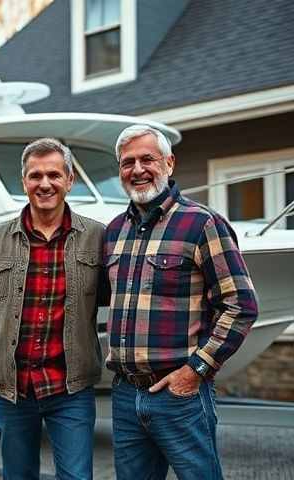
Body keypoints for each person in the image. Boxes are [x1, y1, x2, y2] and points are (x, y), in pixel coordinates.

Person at [104, 125, 258, 480]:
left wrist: (195, 371)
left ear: (169, 164)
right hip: (126, 396)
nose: (137, 170)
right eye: (128, 163)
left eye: (148, 159)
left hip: (180, 395)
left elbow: (241, 304)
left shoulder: (202, 224)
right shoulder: (113, 232)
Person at [0, 138, 105, 480]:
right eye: (35, 176)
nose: (45, 183)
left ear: (70, 180)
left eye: (54, 174)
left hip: (71, 389)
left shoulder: (97, 237)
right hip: (12, 389)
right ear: (24, 182)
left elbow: (118, 298)